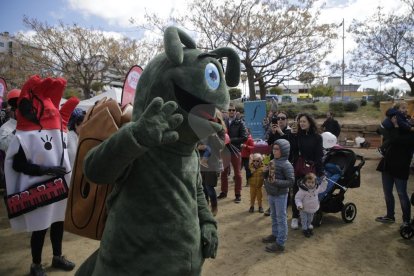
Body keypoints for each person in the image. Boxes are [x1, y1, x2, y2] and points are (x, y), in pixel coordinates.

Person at [4, 76, 78, 276]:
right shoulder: (24, 137)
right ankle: (36, 264)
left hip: (60, 187)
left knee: (58, 224)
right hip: (39, 189)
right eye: (48, 111)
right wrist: (43, 170)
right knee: (40, 227)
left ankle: (57, 256)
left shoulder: (60, 134)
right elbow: (18, 164)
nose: (52, 113)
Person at [376, 115, 412, 228]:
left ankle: (406, 221)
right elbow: (380, 130)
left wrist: (396, 126)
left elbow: (397, 140)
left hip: (400, 167)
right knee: (387, 193)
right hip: (387, 165)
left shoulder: (410, 134)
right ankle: (390, 216)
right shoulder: (392, 130)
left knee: (402, 194)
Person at [290, 112, 324, 230]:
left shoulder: (317, 137)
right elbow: (293, 150)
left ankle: (308, 218)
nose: (302, 123)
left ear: (310, 122)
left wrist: (320, 172)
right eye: (300, 121)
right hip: (298, 169)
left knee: (309, 195)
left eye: (304, 121)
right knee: (297, 193)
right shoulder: (297, 135)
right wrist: (293, 136)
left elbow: (319, 155)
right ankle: (295, 217)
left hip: (311, 170)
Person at [261, 139, 294, 252]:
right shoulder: (272, 161)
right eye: (273, 149)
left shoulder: (286, 165)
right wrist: (264, 172)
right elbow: (267, 177)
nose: (274, 151)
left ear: (284, 150)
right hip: (271, 193)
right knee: (274, 216)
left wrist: (276, 182)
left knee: (281, 218)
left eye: (277, 149)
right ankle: (275, 235)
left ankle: (280, 242)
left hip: (280, 195)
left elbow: (291, 182)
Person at [264, 111, 293, 216]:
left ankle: (283, 207)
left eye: (283, 118)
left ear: (287, 120)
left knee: (284, 185)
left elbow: (290, 145)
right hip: (274, 161)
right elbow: (269, 143)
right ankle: (272, 207)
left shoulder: (289, 132)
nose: (280, 120)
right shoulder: (275, 130)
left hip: (285, 163)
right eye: (278, 118)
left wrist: (281, 133)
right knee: (271, 181)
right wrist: (272, 132)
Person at [198, 111, 227, 216]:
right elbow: (196, 144)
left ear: (217, 119)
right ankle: (205, 208)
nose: (210, 121)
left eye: (212, 119)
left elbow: (220, 146)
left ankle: (214, 207)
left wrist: (213, 134)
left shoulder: (220, 131)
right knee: (202, 187)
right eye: (208, 119)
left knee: (209, 187)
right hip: (200, 162)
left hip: (212, 163)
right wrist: (198, 147)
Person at [218, 103, 248, 203]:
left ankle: (238, 194)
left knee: (238, 174)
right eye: (229, 110)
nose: (231, 112)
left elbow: (244, 137)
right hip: (225, 151)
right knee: (223, 173)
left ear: (236, 111)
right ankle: (223, 192)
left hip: (235, 151)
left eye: (233, 110)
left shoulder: (240, 123)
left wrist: (231, 140)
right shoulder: (223, 122)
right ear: (227, 111)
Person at [295, 172, 327, 237]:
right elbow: (298, 199)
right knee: (304, 220)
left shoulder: (317, 188)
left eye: (312, 182)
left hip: (312, 209)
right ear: (305, 182)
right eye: (308, 182)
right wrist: (299, 205)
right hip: (303, 209)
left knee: (310, 219)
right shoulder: (302, 191)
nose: (310, 184)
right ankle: (305, 230)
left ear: (315, 182)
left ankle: (308, 227)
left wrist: (324, 182)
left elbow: (323, 189)